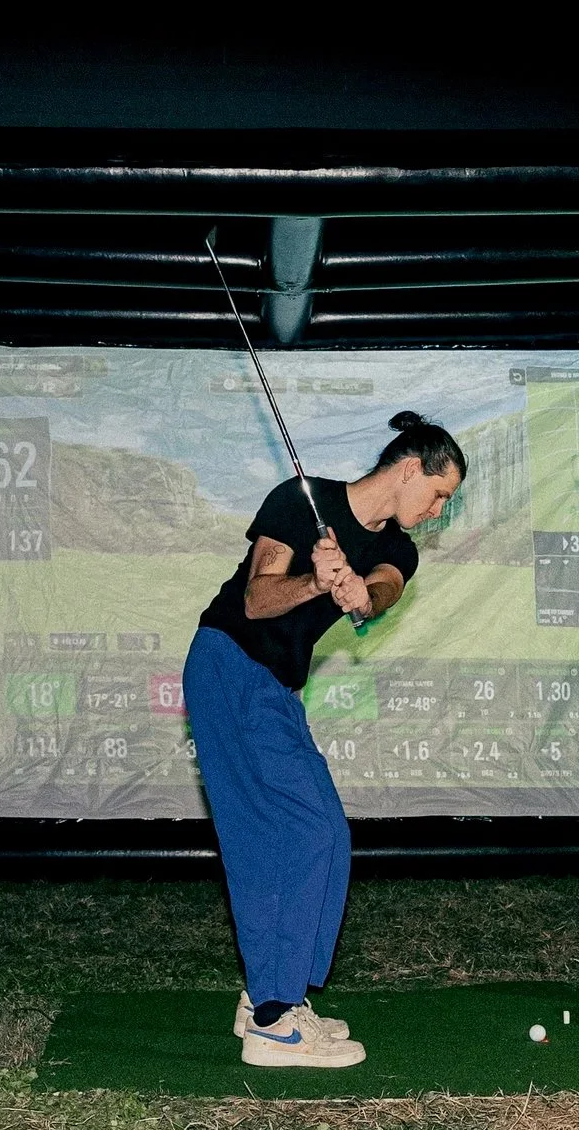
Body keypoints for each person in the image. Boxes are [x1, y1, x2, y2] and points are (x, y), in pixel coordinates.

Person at [184, 411, 465, 1067]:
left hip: (274, 687)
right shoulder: (299, 500)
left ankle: (271, 1000)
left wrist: (356, 592)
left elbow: (383, 594)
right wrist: (314, 579)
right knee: (304, 829)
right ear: (405, 470)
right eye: (439, 493)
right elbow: (255, 600)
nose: (439, 510)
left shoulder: (400, 547)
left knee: (320, 835)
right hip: (230, 660)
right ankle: (276, 1020)